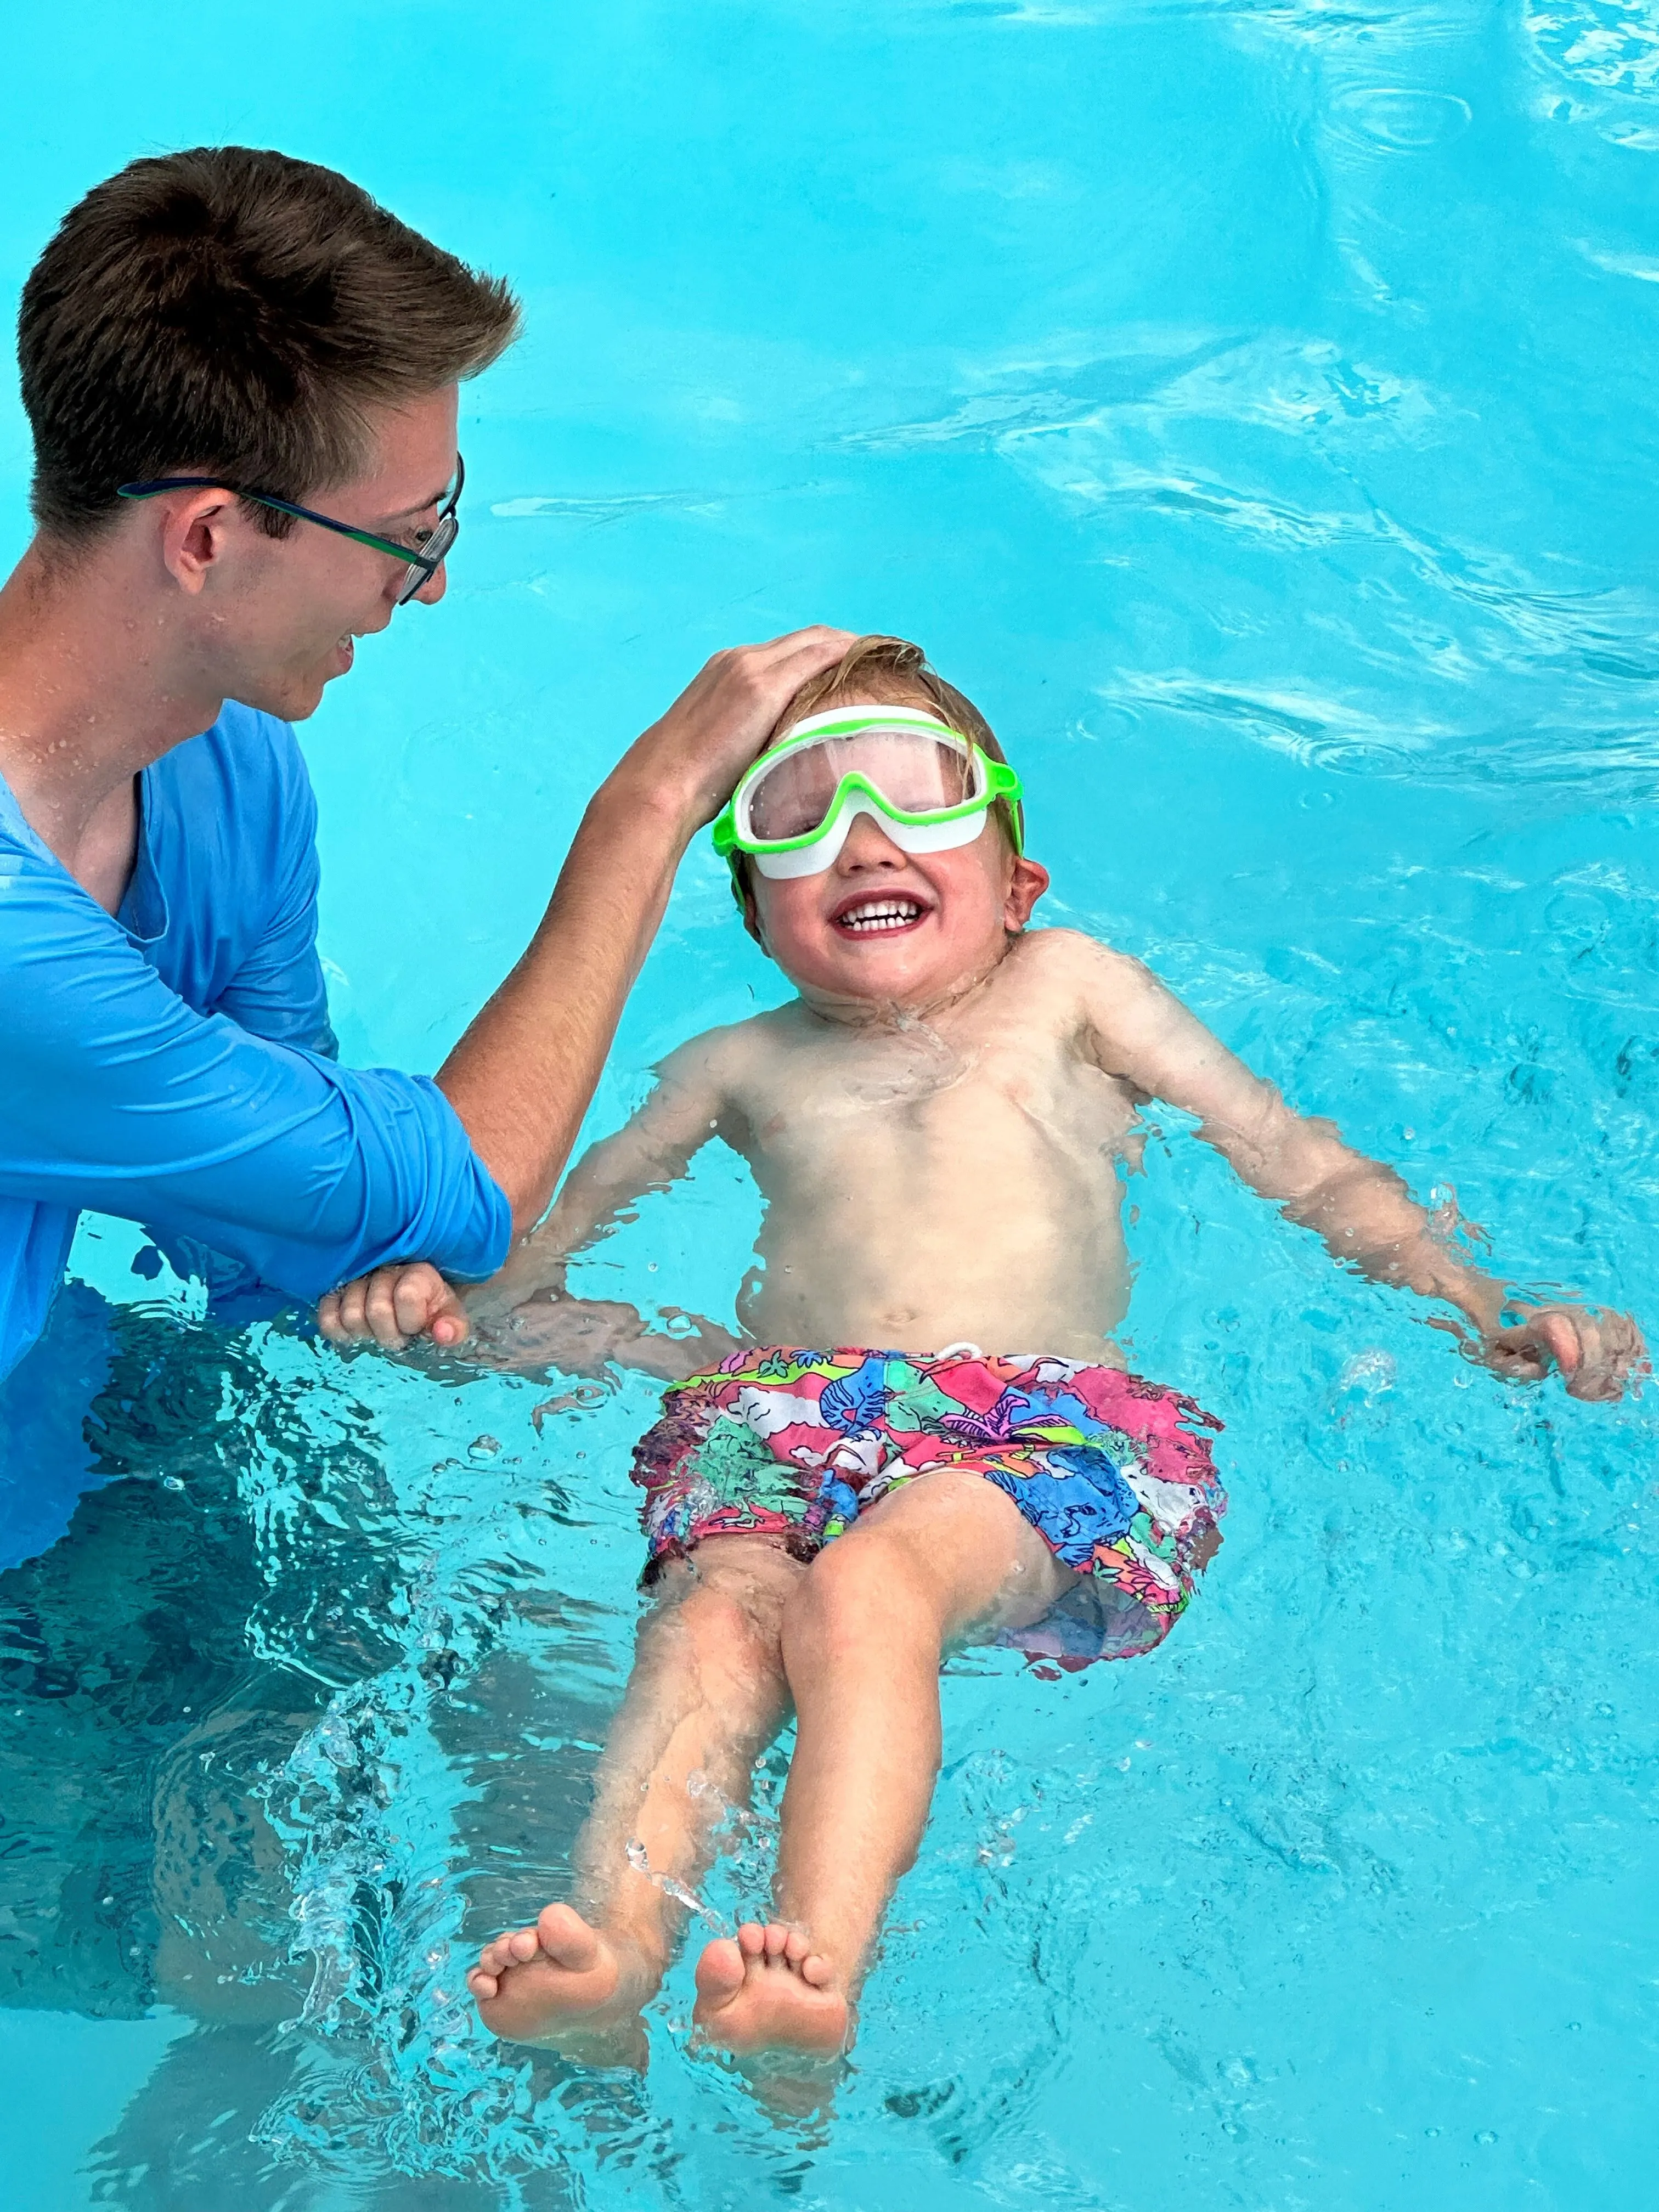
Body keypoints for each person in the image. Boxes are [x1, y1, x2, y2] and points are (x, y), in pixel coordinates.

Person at [322, 635, 1644, 2066]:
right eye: (797, 813)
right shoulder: (730, 1065)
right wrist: (429, 1304)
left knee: (869, 1589)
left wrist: (1479, 1301)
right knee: (712, 1617)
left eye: (915, 795)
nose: (859, 839)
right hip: (792, 1414)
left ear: (1019, 884)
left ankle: (814, 1970)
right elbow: (531, 1254)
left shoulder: (1070, 987)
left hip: (1043, 1426)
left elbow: (1296, 1160)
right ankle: (618, 1950)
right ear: (755, 913)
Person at [0, 143, 849, 1412]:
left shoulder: (234, 773)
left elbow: (290, 1215)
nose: (433, 582)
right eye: (406, 536)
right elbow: (467, 1189)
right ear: (207, 538)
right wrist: (653, 805)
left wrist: (431, 1291)